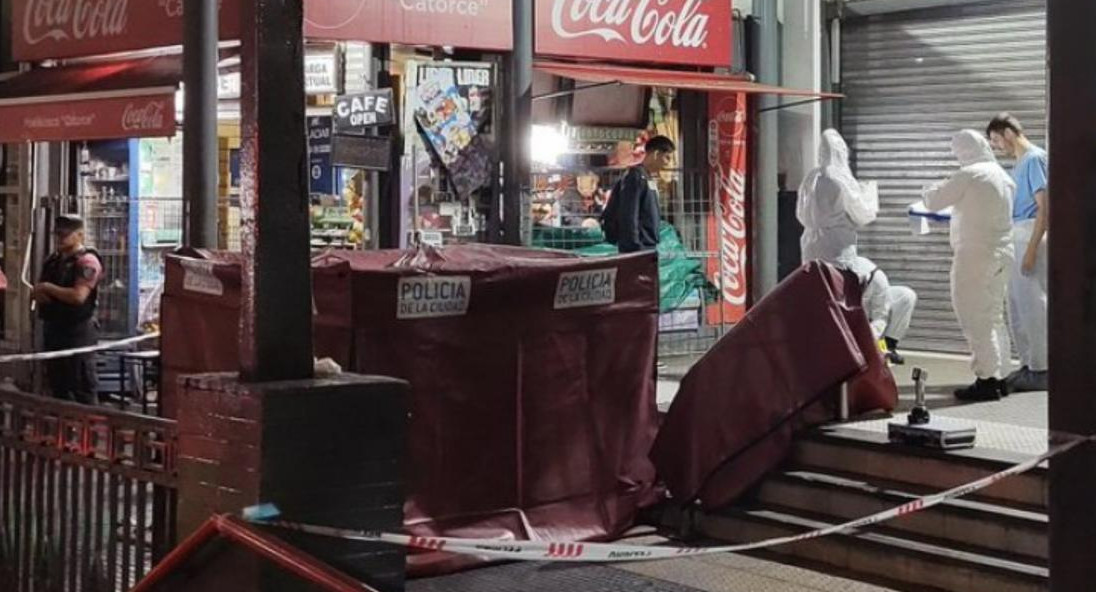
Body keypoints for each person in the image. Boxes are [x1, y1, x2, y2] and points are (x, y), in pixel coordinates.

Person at [924, 130, 1015, 401]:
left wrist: (929, 189)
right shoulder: (1002, 176)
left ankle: (985, 380)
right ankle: (999, 377)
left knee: (974, 315)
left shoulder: (971, 174)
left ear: (962, 150)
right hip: (1002, 251)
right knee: (994, 315)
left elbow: (934, 200)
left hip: (975, 255)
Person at [986, 113, 1048, 392]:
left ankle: (1041, 368)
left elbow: (1044, 207)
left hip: (1029, 235)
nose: (998, 147)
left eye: (997, 140)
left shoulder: (1034, 159)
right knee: (1017, 306)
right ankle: (1028, 365)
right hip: (1018, 235)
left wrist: (1032, 249)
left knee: (1032, 305)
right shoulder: (1021, 163)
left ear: (1009, 133)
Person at [32, 215, 102, 405]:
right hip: (55, 332)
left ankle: (91, 434)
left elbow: (78, 296)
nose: (60, 239)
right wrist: (39, 293)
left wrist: (47, 288)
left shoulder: (87, 262)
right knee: (58, 390)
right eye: (58, 234)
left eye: (65, 235)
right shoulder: (53, 261)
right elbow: (39, 291)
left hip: (77, 334)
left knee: (82, 390)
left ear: (79, 235)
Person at [797, 129, 879, 266]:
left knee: (814, 285)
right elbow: (862, 214)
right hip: (837, 252)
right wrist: (869, 194)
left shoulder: (810, 177)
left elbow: (800, 214)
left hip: (810, 250)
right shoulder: (841, 178)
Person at [600, 135, 675, 253]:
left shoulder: (647, 177)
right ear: (656, 154)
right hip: (638, 248)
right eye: (667, 158)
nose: (667, 163)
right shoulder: (635, 176)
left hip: (647, 246)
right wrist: (634, 246)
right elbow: (628, 214)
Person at [847, 256, 917, 365]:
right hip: (849, 317)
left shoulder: (878, 278)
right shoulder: (837, 273)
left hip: (869, 315)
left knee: (906, 296)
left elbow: (880, 316)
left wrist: (869, 340)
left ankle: (886, 347)